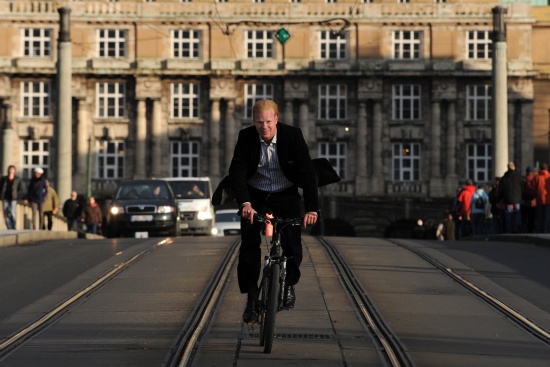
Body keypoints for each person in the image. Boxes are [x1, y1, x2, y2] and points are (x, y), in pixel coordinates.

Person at [227, 99, 319, 324]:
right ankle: (251, 299)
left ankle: (288, 285)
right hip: (255, 195)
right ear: (253, 121)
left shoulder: (292, 136)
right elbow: (237, 172)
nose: (264, 127)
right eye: (259, 123)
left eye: (268, 122)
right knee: (249, 245)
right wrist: (245, 204)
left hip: (285, 194)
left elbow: (307, 173)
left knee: (292, 244)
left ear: (276, 119)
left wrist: (312, 209)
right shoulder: (246, 137)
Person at [499, 162, 523, 233]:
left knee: (508, 214)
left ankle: (508, 230)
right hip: (517, 198)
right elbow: (522, 186)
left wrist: (502, 197)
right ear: (514, 167)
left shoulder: (504, 177)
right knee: (517, 213)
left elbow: (501, 189)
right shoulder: (518, 176)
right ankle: (517, 228)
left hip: (507, 198)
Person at [0, 165, 25, 229]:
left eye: (12, 169)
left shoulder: (17, 179)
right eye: (10, 169)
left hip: (13, 198)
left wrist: (17, 195)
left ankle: (13, 224)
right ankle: (9, 226)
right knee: (5, 212)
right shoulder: (4, 179)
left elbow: (21, 189)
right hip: (5, 197)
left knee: (12, 212)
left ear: (14, 171)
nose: (11, 171)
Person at [534, 163, 550, 233]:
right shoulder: (548, 176)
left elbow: (534, 189)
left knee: (540, 215)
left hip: (539, 199)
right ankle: (546, 229)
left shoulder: (537, 177)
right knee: (547, 215)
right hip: (548, 199)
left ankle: (540, 228)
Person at [522, 166, 537, 233]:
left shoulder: (524, 179)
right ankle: (532, 229)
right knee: (532, 217)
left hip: (525, 201)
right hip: (533, 201)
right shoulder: (535, 179)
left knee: (525, 216)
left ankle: (525, 228)